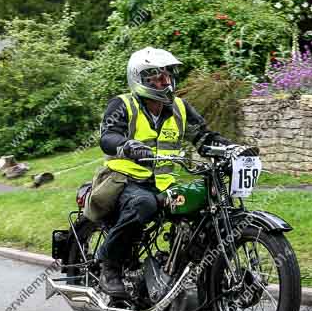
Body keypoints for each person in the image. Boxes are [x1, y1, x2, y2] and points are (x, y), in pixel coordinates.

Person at [96, 47, 232, 297]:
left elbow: (202, 137)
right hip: (127, 180)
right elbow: (108, 137)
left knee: (202, 205)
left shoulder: (179, 107)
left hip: (165, 183)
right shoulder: (123, 104)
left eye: (167, 76)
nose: (165, 81)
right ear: (140, 78)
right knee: (143, 205)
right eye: (157, 77)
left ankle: (187, 270)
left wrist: (230, 148)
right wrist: (126, 145)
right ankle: (109, 266)